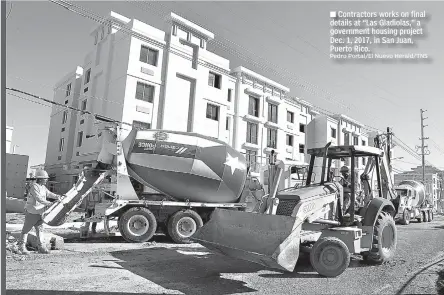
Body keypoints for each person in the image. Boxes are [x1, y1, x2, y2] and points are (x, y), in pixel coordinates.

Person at [17, 169, 64, 255]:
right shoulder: (34, 187)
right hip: (32, 212)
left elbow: (49, 194)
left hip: (40, 212)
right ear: (40, 179)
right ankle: (21, 247)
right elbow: (39, 198)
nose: (46, 180)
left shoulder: (43, 187)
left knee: (40, 229)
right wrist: (49, 203)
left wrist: (58, 197)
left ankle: (41, 247)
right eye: (45, 178)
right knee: (26, 230)